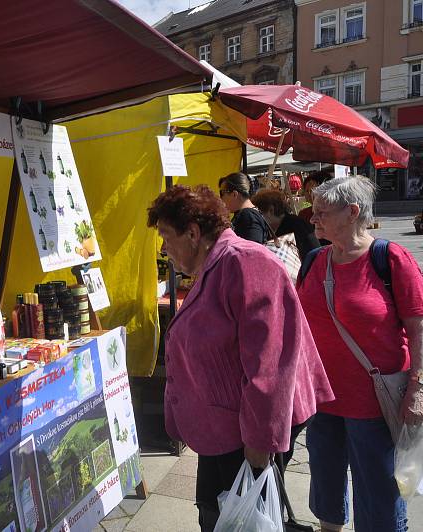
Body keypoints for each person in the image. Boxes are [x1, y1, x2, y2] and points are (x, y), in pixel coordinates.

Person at [147, 185, 333, 531]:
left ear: (193, 233)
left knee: (241, 519)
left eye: (166, 236)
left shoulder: (246, 263)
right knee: (218, 516)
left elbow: (269, 365)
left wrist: (260, 444)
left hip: (245, 436)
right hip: (221, 429)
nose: (163, 248)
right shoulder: (215, 264)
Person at [297, 176, 423, 532]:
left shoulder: (388, 258)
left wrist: (418, 388)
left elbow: (419, 329)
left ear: (352, 213)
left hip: (374, 404)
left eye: (322, 211)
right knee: (325, 487)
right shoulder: (314, 259)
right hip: (322, 400)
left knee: (379, 497)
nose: (313, 218)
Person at [252, 189, 320, 260]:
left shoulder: (296, 225)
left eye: (259, 213)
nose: (257, 218)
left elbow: (312, 254)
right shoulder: (279, 226)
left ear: (271, 210)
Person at [218, 172, 270, 244]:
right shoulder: (249, 213)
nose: (220, 198)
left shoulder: (248, 216)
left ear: (234, 194)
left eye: (222, 193)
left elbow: (252, 251)